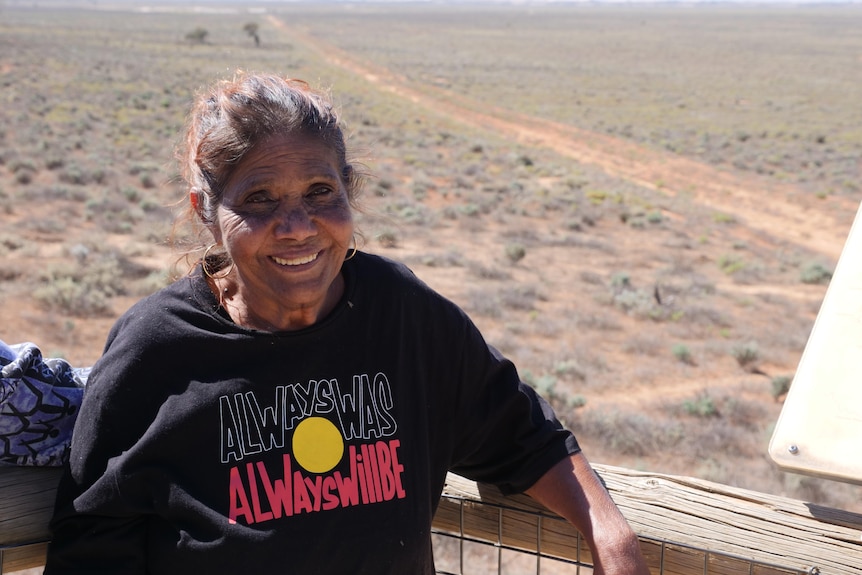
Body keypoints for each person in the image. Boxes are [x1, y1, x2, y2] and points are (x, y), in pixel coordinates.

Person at [46, 72, 649, 575]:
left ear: (348, 191)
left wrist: (610, 534)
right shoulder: (157, 349)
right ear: (208, 209)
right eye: (259, 200)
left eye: (319, 192)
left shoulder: (400, 315)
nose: (298, 226)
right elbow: (93, 544)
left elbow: (522, 434)